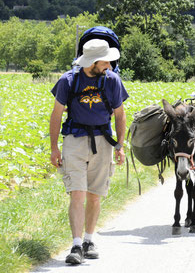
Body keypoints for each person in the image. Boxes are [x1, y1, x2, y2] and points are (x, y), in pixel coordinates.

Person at [49, 39, 129, 265]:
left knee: (95, 195)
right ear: (93, 61)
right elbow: (56, 115)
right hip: (74, 140)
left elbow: (120, 114)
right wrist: (54, 148)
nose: (110, 65)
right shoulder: (68, 81)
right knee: (77, 193)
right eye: (106, 61)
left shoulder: (112, 80)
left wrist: (119, 145)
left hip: (103, 141)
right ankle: (76, 245)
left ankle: (88, 240)